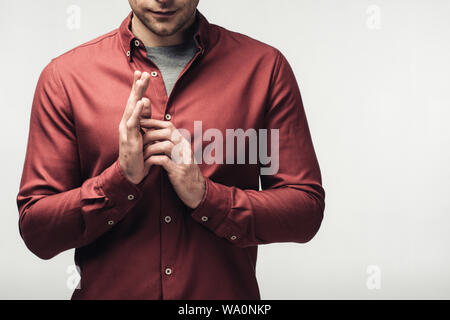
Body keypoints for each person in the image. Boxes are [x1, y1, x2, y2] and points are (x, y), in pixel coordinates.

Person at [16, 0, 325, 299]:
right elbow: (38, 232)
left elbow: (304, 210)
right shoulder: (66, 78)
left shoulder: (264, 70)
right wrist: (119, 181)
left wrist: (207, 197)